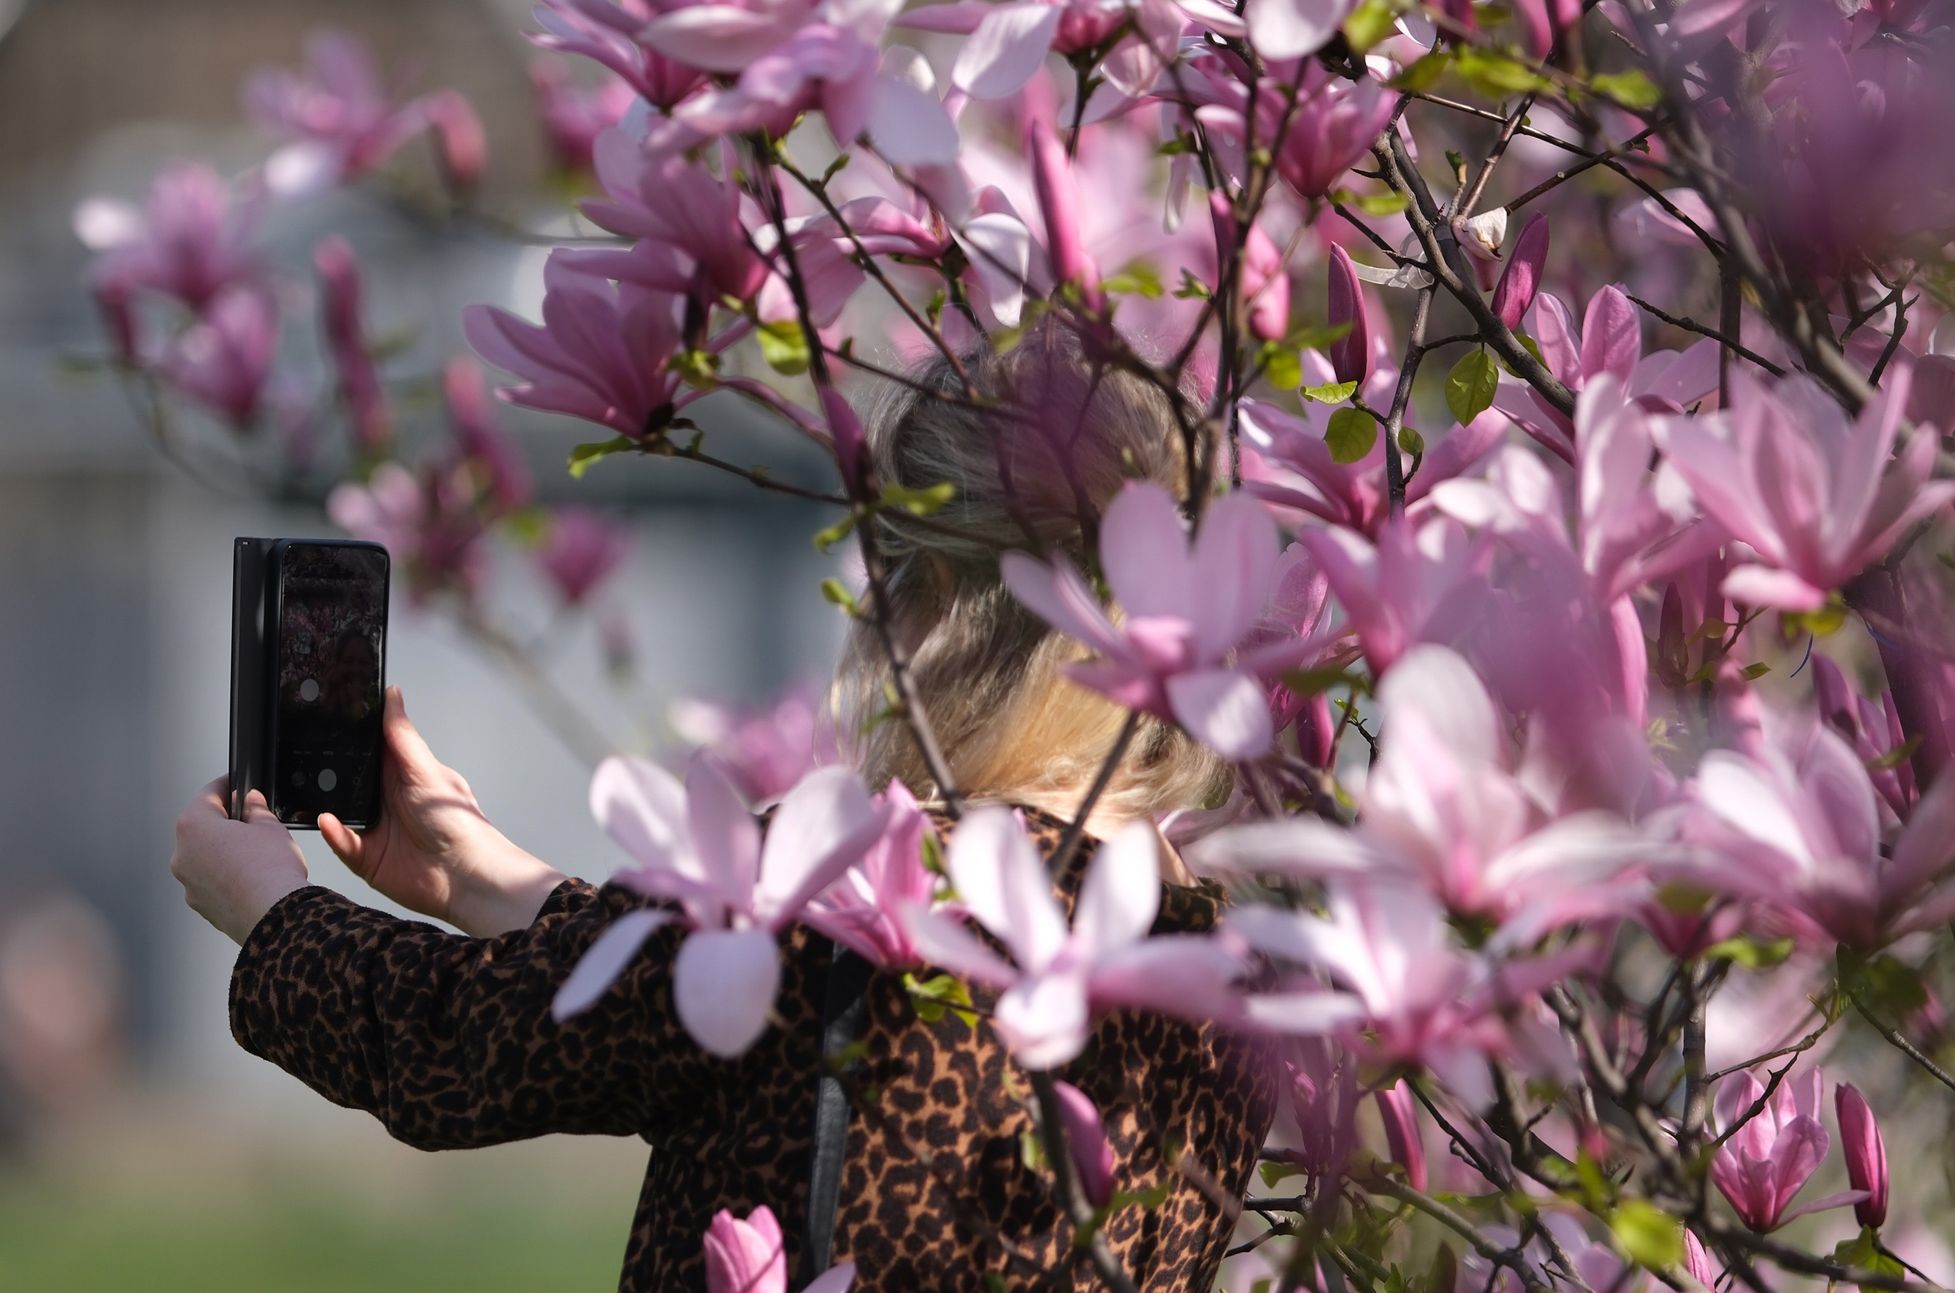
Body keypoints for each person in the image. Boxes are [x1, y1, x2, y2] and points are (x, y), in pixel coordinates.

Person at [170, 328, 1278, 1291]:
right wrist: (472, 869)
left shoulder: (855, 889)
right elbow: (692, 1006)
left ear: (932, 603)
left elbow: (460, 1049)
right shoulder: (1228, 973)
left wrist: (274, 919)